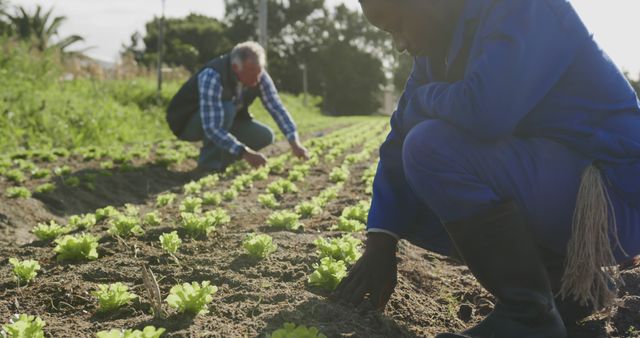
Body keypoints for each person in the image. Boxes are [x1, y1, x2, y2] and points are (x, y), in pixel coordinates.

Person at [333, 0, 640, 337]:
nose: (400, 43)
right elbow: (397, 141)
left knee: (429, 147)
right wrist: (381, 241)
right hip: (566, 189)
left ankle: (528, 317)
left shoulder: (525, 8)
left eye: (398, 26)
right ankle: (568, 288)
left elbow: (486, 112)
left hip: (614, 197)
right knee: (411, 182)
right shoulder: (439, 50)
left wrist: (424, 101)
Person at [166, 41, 309, 171]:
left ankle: (224, 163)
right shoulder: (212, 75)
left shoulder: (258, 75)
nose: (257, 78)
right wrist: (245, 153)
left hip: (223, 119)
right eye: (252, 72)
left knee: (264, 136)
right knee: (227, 109)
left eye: (259, 71)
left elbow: (276, 108)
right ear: (235, 67)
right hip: (188, 124)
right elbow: (211, 127)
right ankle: (207, 167)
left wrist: (295, 143)